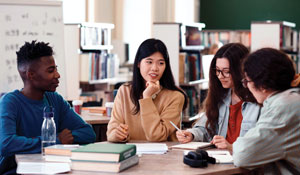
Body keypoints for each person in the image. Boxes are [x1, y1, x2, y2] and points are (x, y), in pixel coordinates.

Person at [0, 41, 96, 174]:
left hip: (52, 168)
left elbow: (88, 133)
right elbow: (6, 144)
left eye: (56, 69)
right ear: (31, 75)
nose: (57, 75)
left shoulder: (55, 99)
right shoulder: (10, 102)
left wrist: (63, 139)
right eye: (51, 70)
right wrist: (56, 141)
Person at [176, 43, 260, 153]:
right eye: (217, 70)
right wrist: (191, 134)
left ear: (241, 70)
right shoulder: (220, 96)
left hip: (246, 164)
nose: (220, 76)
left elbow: (261, 145)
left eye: (226, 71)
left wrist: (231, 147)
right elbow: (206, 128)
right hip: (222, 160)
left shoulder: (259, 100)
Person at [233, 48, 300, 174]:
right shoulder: (291, 99)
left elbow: (243, 155)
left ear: (262, 85)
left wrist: (238, 143)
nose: (246, 86)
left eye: (247, 81)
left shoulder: (283, 107)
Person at [107, 38, 188, 142]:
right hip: (131, 152)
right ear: (138, 63)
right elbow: (111, 132)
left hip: (164, 156)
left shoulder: (175, 96)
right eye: (149, 62)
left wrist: (147, 98)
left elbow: (156, 136)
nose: (155, 68)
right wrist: (116, 135)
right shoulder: (124, 91)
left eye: (161, 63)